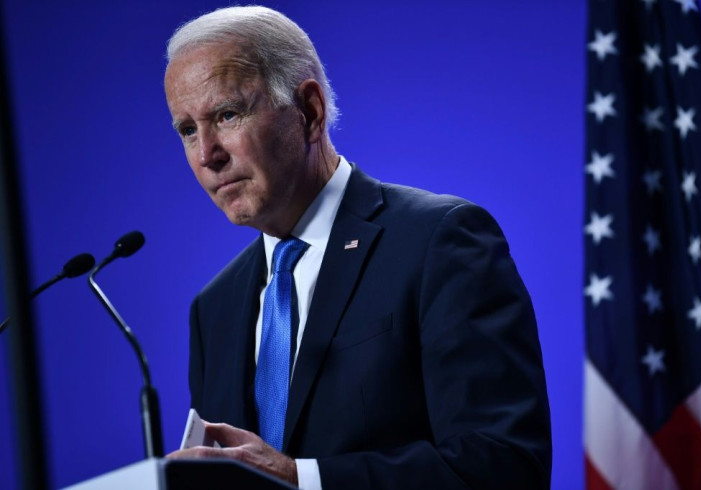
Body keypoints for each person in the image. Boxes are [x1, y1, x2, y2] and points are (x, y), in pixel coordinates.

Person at [164, 6, 551, 489]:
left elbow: (504, 465)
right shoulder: (213, 309)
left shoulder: (439, 241)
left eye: (227, 114)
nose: (207, 156)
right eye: (187, 130)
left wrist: (301, 478)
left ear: (309, 112)